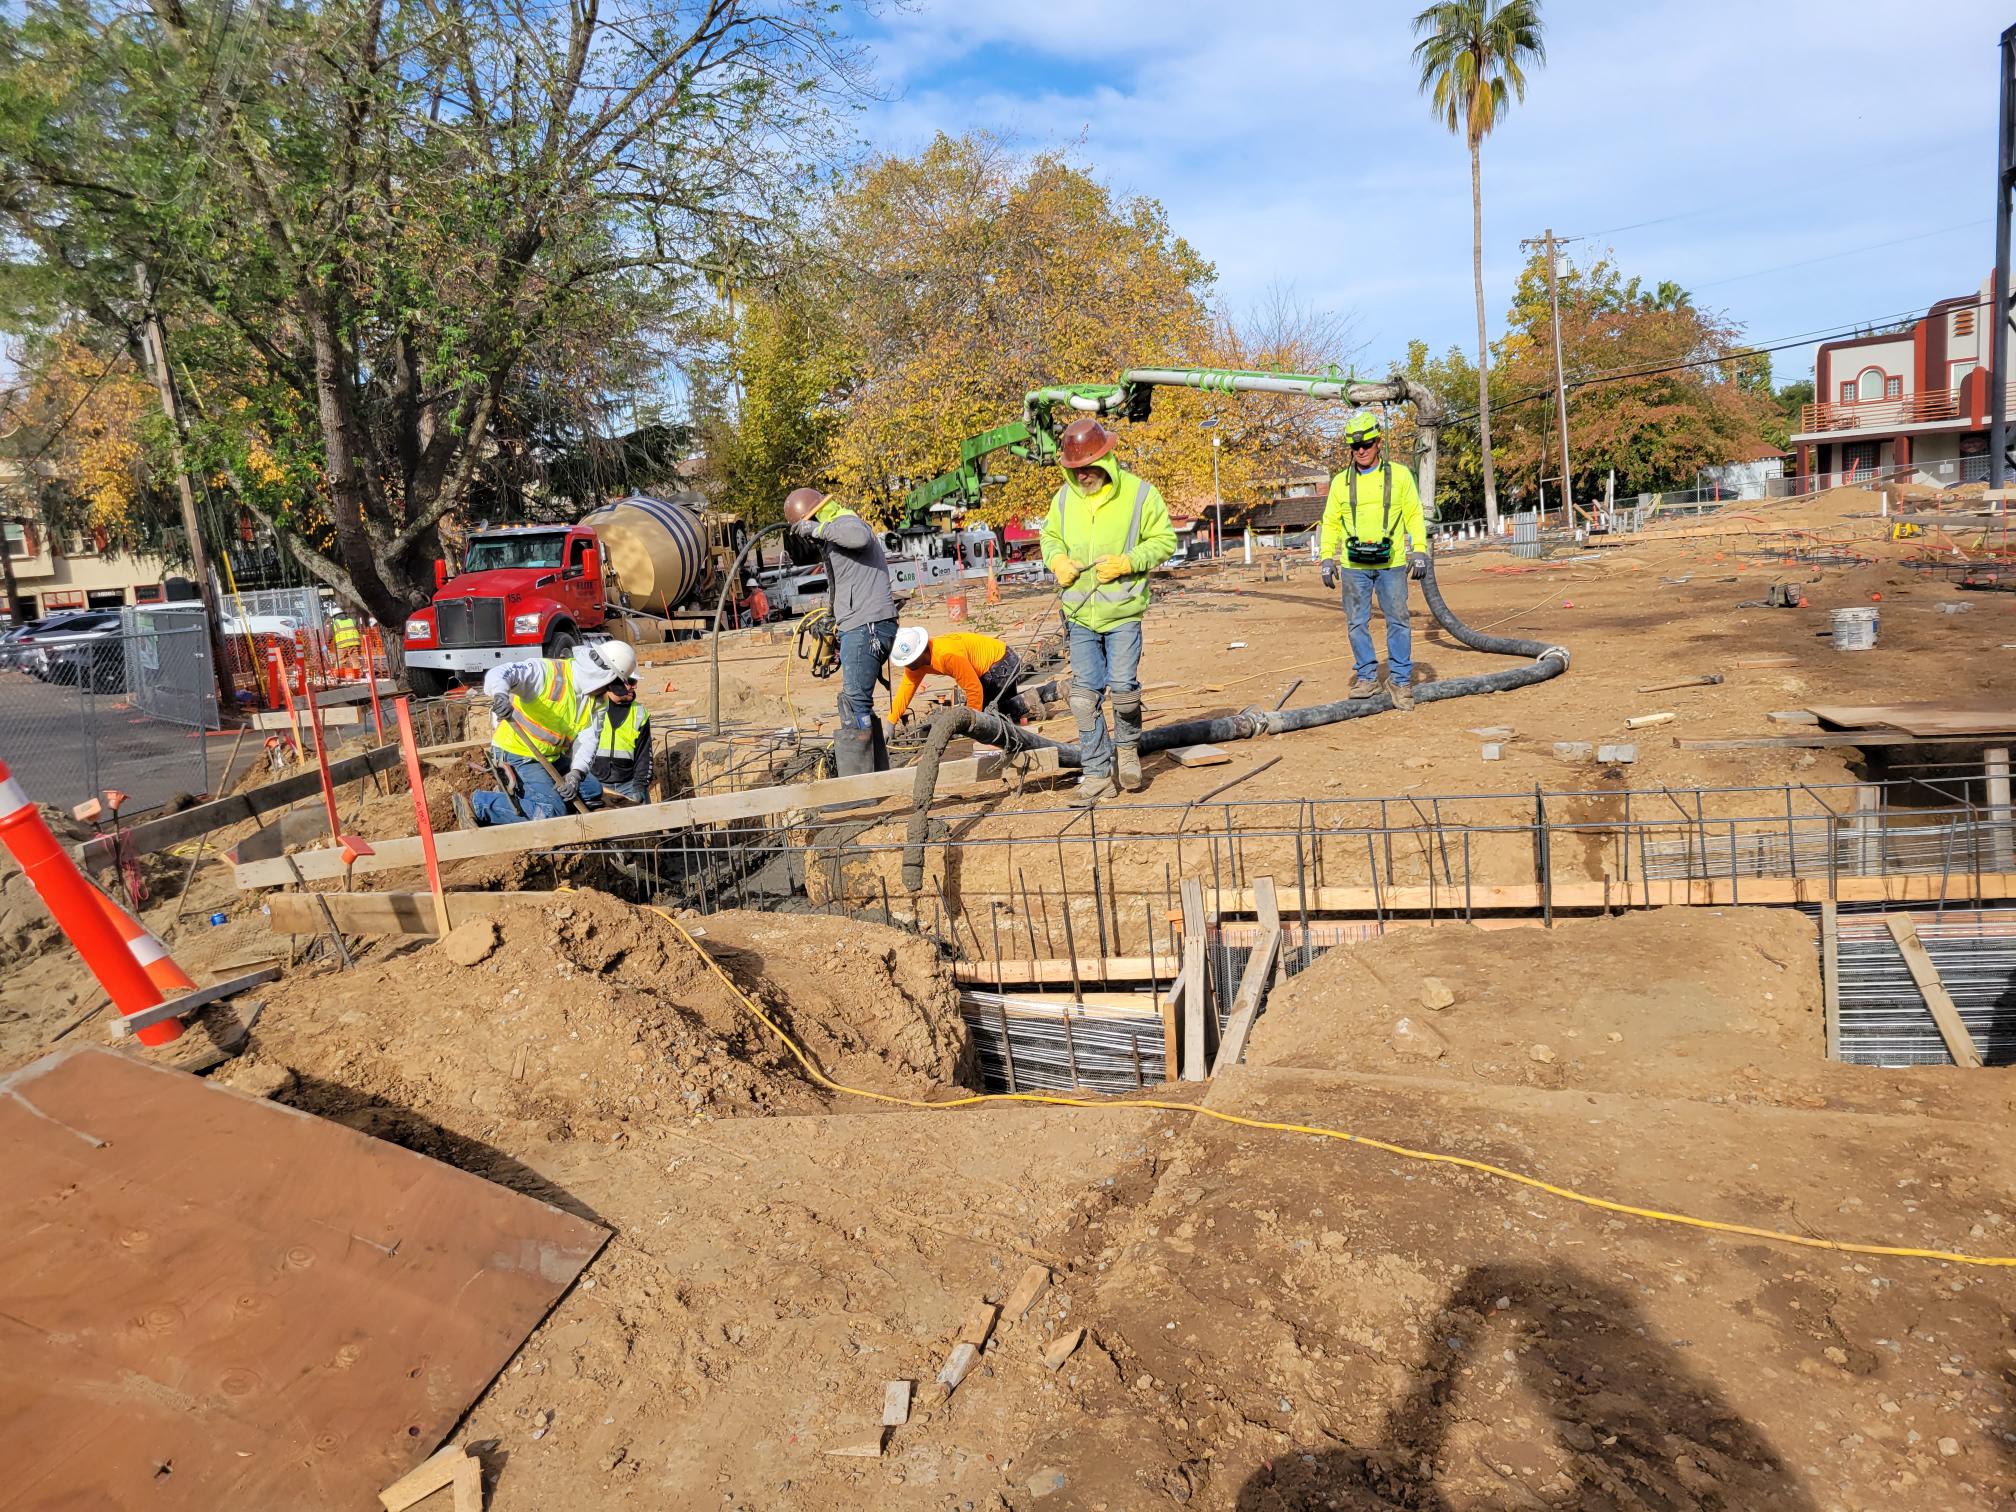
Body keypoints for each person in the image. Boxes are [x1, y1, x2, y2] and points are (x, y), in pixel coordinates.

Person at [1038, 418, 1177, 804]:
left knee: (1123, 690)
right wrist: (1058, 560)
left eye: (1089, 467)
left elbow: (1164, 541)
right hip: (1080, 613)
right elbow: (1048, 537)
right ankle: (1098, 774)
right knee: (1083, 697)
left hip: (1123, 613)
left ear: (1106, 456)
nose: (1082, 475)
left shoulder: (1140, 495)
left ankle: (1128, 750)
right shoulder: (1063, 500)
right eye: (1075, 469)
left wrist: (1129, 561)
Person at [1317, 410, 1430, 711]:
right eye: (1356, 446)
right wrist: (1326, 557)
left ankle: (1401, 680)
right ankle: (1367, 676)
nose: (1362, 450)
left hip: (1391, 563)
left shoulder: (1401, 476)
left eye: (1367, 443)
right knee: (1356, 622)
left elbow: (1414, 514)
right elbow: (1329, 522)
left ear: (1379, 441)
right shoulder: (1340, 483)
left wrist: (1419, 549)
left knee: (1398, 621)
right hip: (1354, 568)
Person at [784, 486, 897, 778]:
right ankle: (876, 776)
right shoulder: (832, 539)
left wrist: (817, 528)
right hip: (857, 624)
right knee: (858, 701)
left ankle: (859, 786)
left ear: (814, 516)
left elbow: (858, 536)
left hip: (867, 625)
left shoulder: (846, 522)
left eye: (806, 529)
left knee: (853, 702)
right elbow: (838, 584)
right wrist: (833, 622)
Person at [466, 640, 638, 825]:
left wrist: (575, 774)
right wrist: (500, 694)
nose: (608, 691)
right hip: (518, 753)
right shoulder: (548, 672)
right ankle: (481, 803)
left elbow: (588, 740)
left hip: (550, 757)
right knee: (551, 813)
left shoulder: (597, 701)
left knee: (591, 791)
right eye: (610, 685)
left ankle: (540, 797)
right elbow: (500, 673)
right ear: (602, 675)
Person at [885, 626, 1030, 731]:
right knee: (983, 713)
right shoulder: (915, 665)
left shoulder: (947, 655)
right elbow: (905, 691)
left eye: (910, 662)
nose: (908, 666)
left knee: (985, 716)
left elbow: (974, 689)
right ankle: (1033, 698)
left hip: (1002, 664)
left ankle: (1029, 701)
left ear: (922, 652)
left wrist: (971, 725)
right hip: (990, 671)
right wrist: (890, 722)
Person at [589, 674, 653, 803]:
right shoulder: (592, 708)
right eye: (630, 682)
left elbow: (644, 755)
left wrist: (640, 786)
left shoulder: (639, 713)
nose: (634, 686)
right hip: (596, 783)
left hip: (629, 784)